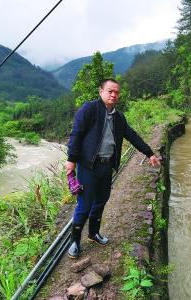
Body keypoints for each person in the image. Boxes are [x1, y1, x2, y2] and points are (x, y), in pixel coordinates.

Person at [66, 78, 161, 259]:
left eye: (116, 92)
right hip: (88, 166)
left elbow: (132, 136)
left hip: (107, 165)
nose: (113, 95)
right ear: (101, 91)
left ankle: (93, 233)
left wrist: (149, 153)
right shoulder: (90, 109)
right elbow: (76, 133)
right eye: (110, 91)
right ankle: (75, 241)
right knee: (84, 204)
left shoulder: (119, 117)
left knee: (101, 200)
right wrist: (71, 160)